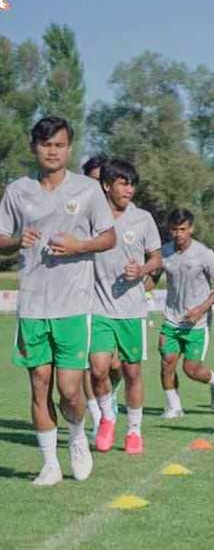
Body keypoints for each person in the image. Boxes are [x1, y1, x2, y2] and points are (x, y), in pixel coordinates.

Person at [0, 117, 116, 485]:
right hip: (33, 304)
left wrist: (79, 245)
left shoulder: (87, 190)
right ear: (34, 147)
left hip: (73, 305)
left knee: (69, 389)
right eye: (46, 144)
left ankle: (77, 436)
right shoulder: (18, 190)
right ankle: (49, 463)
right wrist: (18, 240)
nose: (52, 151)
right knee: (39, 382)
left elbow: (108, 237)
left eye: (60, 145)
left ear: (69, 148)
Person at [90, 158, 162, 455]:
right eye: (123, 183)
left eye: (132, 183)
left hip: (132, 309)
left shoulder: (143, 219)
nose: (129, 189)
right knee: (97, 370)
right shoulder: (90, 217)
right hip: (97, 306)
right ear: (107, 185)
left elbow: (157, 258)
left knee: (132, 372)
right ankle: (107, 416)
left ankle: (134, 431)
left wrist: (143, 270)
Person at [150, 209, 214, 417]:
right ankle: (174, 407)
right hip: (171, 319)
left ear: (191, 229)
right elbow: (153, 278)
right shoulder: (164, 252)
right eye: (175, 229)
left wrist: (201, 308)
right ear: (170, 230)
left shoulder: (204, 254)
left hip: (197, 323)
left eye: (183, 229)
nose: (179, 234)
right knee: (167, 362)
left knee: (191, 369)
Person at [81, 156, 124, 435]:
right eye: (94, 181)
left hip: (119, 302)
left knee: (116, 366)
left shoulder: (124, 215)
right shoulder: (79, 213)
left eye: (102, 182)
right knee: (89, 366)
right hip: (84, 300)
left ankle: (111, 393)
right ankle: (98, 417)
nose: (100, 188)